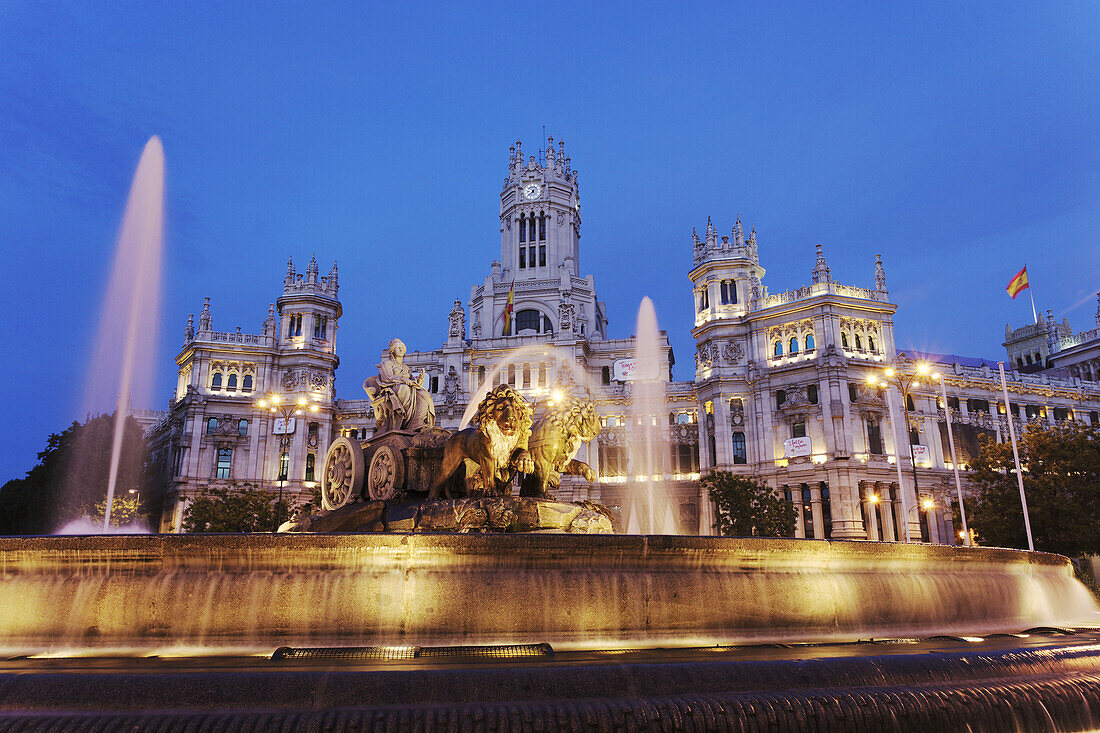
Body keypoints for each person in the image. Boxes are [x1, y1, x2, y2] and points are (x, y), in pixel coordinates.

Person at [363, 338, 436, 432]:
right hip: (392, 388)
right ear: (393, 351)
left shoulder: (405, 368)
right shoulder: (387, 363)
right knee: (404, 389)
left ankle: (417, 423)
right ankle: (404, 420)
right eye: (398, 348)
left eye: (402, 348)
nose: (401, 350)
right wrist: (403, 379)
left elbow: (413, 382)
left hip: (408, 388)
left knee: (424, 394)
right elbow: (388, 377)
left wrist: (420, 379)